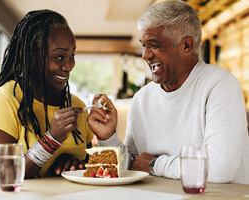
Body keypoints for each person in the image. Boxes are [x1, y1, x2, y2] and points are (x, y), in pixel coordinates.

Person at [87, 0, 249, 184]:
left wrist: (155, 165)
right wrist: (107, 137)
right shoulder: (142, 99)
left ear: (186, 46)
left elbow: (220, 169)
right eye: (144, 45)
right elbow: (133, 165)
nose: (145, 55)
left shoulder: (220, 85)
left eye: (154, 45)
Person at [0, 9, 93, 185]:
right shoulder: (3, 101)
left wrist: (75, 164)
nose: (69, 65)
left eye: (72, 56)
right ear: (32, 56)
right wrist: (51, 141)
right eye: (59, 57)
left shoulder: (76, 105)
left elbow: (88, 161)